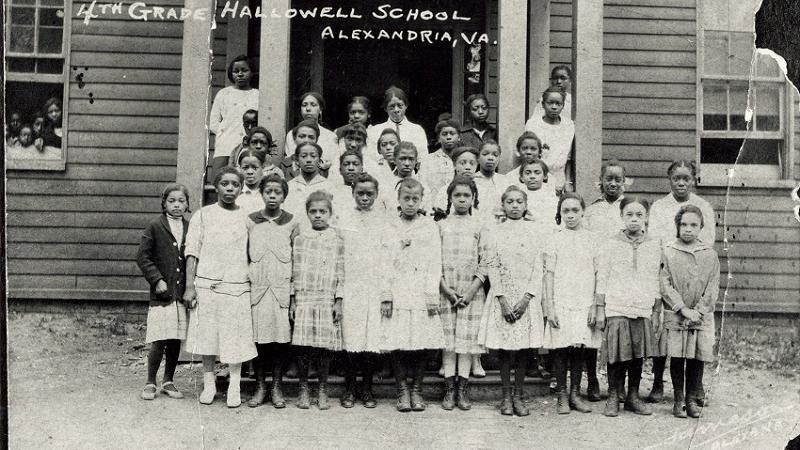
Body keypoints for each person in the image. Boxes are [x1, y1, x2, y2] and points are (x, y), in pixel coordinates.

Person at [183, 166, 257, 408]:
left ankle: (234, 385)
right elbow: (192, 252)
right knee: (208, 336)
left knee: (234, 336)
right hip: (208, 283)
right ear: (216, 187)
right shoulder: (203, 215)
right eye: (225, 184)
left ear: (240, 188)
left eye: (234, 185)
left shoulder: (247, 217)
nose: (229, 189)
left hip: (237, 284)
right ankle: (209, 383)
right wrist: (189, 286)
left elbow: (252, 253)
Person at [647, 160, 716, 405]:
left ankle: (696, 388)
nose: (681, 183)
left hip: (695, 274)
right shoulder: (659, 206)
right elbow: (654, 241)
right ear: (670, 179)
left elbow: (707, 243)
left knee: (699, 334)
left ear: (693, 179)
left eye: (686, 178)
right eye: (677, 178)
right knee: (663, 332)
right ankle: (657, 382)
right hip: (666, 270)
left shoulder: (702, 206)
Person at [479, 185, 548, 417]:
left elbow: (539, 266)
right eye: (510, 202)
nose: (515, 206)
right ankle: (506, 396)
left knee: (522, 350)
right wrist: (502, 299)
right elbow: (492, 266)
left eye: (519, 201)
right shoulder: (495, 231)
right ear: (503, 205)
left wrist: (527, 297)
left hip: (525, 298)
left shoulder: (536, 232)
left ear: (526, 205)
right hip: (504, 297)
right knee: (506, 351)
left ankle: (519, 395)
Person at [381, 178, 444, 412]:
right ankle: (402, 389)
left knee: (421, 342)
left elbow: (435, 261)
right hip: (398, 290)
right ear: (398, 201)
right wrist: (386, 294)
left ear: (421, 200)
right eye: (406, 199)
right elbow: (384, 261)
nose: (410, 203)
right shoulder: (389, 227)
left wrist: (431, 293)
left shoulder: (428, 226)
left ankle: (417, 388)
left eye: (415, 199)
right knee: (398, 341)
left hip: (420, 291)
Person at [595, 196, 662, 417]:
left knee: (636, 354)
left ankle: (633, 395)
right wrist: (600, 307)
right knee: (617, 353)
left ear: (647, 217)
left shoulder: (654, 244)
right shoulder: (611, 243)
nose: (634, 220)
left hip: (642, 306)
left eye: (639, 215)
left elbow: (656, 277)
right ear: (621, 216)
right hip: (617, 305)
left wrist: (655, 309)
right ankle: (614, 394)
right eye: (629, 215)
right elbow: (602, 275)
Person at [542, 192, 601, 414]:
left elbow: (598, 273)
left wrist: (595, 304)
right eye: (565, 211)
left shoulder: (592, 239)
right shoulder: (554, 238)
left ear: (583, 212)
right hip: (561, 300)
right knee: (560, 348)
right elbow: (548, 274)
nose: (571, 215)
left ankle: (576, 393)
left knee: (579, 347)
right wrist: (550, 306)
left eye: (575, 210)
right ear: (559, 213)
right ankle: (562, 395)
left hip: (584, 300)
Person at [660, 205, 720, 418]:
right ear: (677, 226)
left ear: (701, 227)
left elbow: (713, 286)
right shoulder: (668, 251)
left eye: (693, 225)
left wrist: (699, 311)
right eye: (683, 224)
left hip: (700, 316)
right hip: (678, 314)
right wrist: (683, 309)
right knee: (678, 357)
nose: (688, 229)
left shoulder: (709, 255)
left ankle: (691, 399)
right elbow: (664, 283)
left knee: (696, 357)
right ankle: (678, 400)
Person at [245, 174, 299, 409]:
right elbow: (244, 254)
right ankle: (260, 385)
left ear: (284, 196)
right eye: (269, 192)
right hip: (257, 289)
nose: (273, 196)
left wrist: (293, 293)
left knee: (279, 340)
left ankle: (276, 385)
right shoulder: (250, 221)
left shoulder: (292, 222)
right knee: (259, 339)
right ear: (262, 194)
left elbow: (297, 259)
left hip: (280, 290)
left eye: (278, 193)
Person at [290, 190, 345, 410]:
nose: (318, 215)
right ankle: (303, 388)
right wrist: (293, 299)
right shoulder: (300, 240)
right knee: (303, 346)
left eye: (323, 211)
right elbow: (294, 270)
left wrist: (338, 300)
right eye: (313, 211)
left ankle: (323, 388)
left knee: (324, 347)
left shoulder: (337, 240)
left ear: (330, 213)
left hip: (326, 298)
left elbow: (341, 271)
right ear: (307, 214)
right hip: (305, 297)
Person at [135, 183, 191, 401]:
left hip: (180, 294)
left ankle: (168, 380)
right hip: (162, 294)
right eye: (172, 201)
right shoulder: (155, 226)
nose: (176, 205)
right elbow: (143, 257)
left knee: (175, 338)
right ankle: (150, 381)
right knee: (159, 338)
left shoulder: (189, 227)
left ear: (187, 204)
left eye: (181, 201)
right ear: (164, 203)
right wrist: (157, 279)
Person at [338, 173, 389, 408]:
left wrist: (386, 294)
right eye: (360, 193)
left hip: (374, 287)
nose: (365, 197)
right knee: (351, 340)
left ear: (377, 195)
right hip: (351, 287)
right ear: (353, 193)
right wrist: (338, 294)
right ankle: (349, 389)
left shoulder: (384, 222)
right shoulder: (344, 219)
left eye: (370, 194)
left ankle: (367, 389)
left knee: (370, 341)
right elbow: (339, 258)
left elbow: (388, 259)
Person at [438, 176, 488, 411]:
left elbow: (486, 261)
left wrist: (471, 291)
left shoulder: (480, 226)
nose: (461, 199)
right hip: (446, 291)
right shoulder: (441, 225)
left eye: (466, 195)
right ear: (449, 198)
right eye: (457, 195)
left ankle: (463, 390)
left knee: (466, 343)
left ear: (474, 198)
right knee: (449, 343)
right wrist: (446, 289)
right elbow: (432, 261)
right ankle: (449, 389)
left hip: (471, 294)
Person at [209, 55, 259, 178]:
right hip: (225, 144)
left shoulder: (257, 95)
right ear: (231, 74)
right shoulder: (224, 93)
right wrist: (224, 132)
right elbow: (213, 122)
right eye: (236, 71)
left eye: (244, 70)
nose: (240, 74)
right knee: (220, 178)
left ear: (252, 72)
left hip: (247, 145)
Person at [524, 86, 575, 193]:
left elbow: (569, 158)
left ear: (563, 105)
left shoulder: (569, 126)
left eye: (558, 104)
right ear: (543, 104)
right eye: (550, 103)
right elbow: (528, 156)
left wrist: (568, 181)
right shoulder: (533, 124)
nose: (554, 107)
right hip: (537, 177)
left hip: (559, 179)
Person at [367, 86, 430, 164]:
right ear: (385, 109)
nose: (396, 110)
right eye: (392, 106)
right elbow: (371, 159)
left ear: (406, 106)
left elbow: (423, 159)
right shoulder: (375, 131)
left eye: (400, 105)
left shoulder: (417, 130)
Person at [284, 92, 338, 168]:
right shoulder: (291, 134)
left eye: (313, 105)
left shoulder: (330, 136)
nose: (308, 109)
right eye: (304, 105)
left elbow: (334, 162)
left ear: (320, 109)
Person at [283, 142, 332, 223]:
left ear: (319, 161)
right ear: (297, 161)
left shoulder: (329, 186)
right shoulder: (289, 186)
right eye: (304, 156)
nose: (309, 160)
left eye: (313, 156)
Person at [382, 142, 432, 213]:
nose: (407, 163)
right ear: (394, 160)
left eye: (411, 159)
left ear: (416, 161)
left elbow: (427, 214)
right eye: (402, 159)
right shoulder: (385, 185)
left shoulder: (424, 187)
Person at [419, 118, 461, 202]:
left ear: (459, 137)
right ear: (439, 139)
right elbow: (423, 184)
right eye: (444, 134)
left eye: (452, 134)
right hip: (436, 203)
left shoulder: (465, 158)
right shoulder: (428, 160)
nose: (448, 137)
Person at [432, 146, 480, 216]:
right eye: (462, 163)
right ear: (454, 165)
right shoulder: (444, 191)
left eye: (472, 163)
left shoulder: (484, 190)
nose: (467, 167)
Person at [585, 160, 628, 237]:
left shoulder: (629, 208)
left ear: (623, 181)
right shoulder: (592, 209)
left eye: (618, 180)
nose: (613, 184)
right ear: (601, 179)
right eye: (609, 179)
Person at [472, 140, 512, 221]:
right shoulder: (472, 180)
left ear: (499, 158)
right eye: (485, 154)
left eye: (495, 155)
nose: (490, 158)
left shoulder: (505, 181)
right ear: (478, 158)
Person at [518, 160, 559, 225]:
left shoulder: (550, 195)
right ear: (522, 177)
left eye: (537, 173)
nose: (532, 176)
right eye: (528, 173)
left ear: (545, 176)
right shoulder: (518, 195)